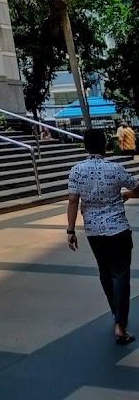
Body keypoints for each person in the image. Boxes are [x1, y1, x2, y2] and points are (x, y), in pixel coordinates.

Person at [67, 127, 139, 345]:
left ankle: (115, 314)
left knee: (105, 273)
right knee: (121, 275)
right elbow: (138, 187)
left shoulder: (77, 171)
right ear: (105, 146)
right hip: (118, 230)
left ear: (86, 146)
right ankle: (120, 325)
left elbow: (72, 201)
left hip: (94, 232)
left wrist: (70, 230)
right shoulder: (115, 169)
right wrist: (126, 194)